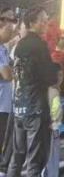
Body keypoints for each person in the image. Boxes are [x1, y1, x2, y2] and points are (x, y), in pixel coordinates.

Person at [7, 7, 58, 177]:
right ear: (31, 23)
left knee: (17, 157)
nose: (46, 23)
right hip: (35, 109)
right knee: (34, 161)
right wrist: (55, 69)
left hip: (19, 107)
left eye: (46, 19)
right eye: (42, 20)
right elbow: (49, 77)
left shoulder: (20, 45)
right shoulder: (40, 46)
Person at [44, 63, 63, 177]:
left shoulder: (44, 89)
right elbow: (56, 110)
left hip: (43, 128)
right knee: (53, 158)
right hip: (53, 128)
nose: (61, 78)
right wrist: (54, 120)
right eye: (59, 75)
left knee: (45, 157)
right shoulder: (55, 92)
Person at [0, 9, 15, 152]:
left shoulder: (4, 49)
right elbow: (7, 75)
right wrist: (12, 71)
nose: (11, 34)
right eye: (8, 30)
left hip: (4, 105)